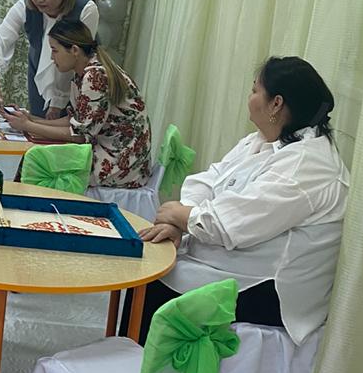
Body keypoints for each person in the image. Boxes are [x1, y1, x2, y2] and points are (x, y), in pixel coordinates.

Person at [126, 57, 349, 345]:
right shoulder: (262, 140)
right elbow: (208, 180)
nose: (249, 96)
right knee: (150, 264)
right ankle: (132, 359)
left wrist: (181, 216)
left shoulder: (307, 166)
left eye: (255, 90)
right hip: (226, 260)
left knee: (155, 282)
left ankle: (143, 367)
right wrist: (180, 221)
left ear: (276, 104)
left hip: (270, 289)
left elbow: (227, 226)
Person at [8, 2, 152, 189]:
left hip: (122, 163)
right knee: (36, 157)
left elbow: (80, 135)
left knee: (36, 162)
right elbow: (75, 121)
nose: (52, 58)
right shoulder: (86, 72)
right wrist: (32, 119)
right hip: (118, 155)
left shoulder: (95, 77)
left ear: (75, 50)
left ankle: (27, 204)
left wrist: (28, 126)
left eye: (55, 50)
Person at [0, 0, 91, 117]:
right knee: (38, 121)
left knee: (68, 125)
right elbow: (0, 41)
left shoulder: (85, 9)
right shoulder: (24, 6)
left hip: (75, 81)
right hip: (39, 73)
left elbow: (77, 59)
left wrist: (57, 102)